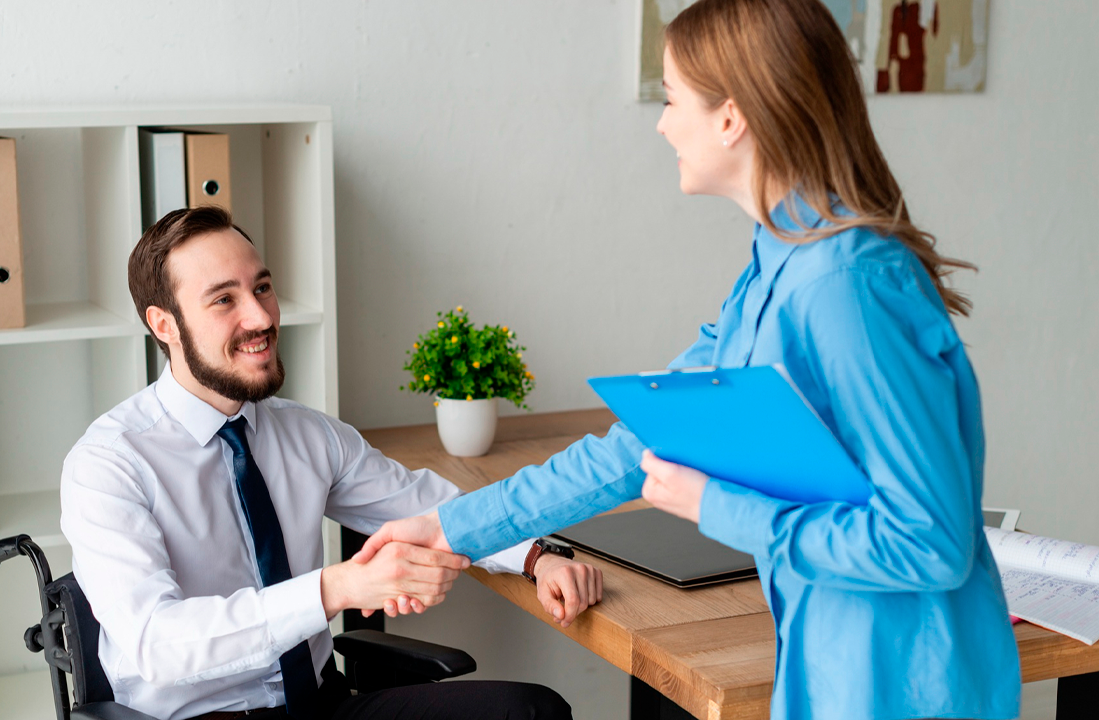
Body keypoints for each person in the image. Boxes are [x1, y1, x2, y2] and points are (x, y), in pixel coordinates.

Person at [354, 0, 1021, 718]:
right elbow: (634, 448)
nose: (663, 123)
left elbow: (930, 544)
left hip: (907, 685)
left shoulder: (847, 288)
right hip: (823, 664)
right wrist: (452, 527)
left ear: (731, 117)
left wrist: (720, 509)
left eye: (673, 99)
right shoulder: (773, 269)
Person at [60, 206, 601, 720]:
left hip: (321, 704)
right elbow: (158, 643)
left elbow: (430, 509)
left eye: (262, 288)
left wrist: (537, 557)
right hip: (201, 715)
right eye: (223, 300)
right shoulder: (109, 464)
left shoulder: (307, 434)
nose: (260, 316)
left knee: (531, 711)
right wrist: (335, 589)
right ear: (164, 324)